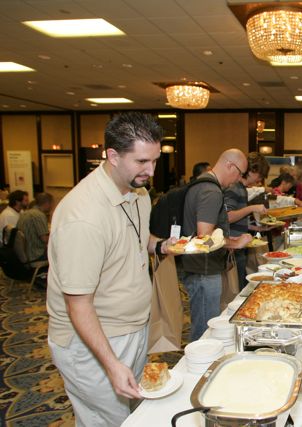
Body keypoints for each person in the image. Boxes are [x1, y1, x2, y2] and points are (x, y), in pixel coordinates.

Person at [47, 112, 173, 426]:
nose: (151, 171)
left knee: (131, 415)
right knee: (109, 421)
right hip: (93, 342)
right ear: (113, 156)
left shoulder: (138, 193)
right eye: (142, 161)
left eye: (155, 160)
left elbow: (136, 239)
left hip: (132, 327)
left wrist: (160, 246)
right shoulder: (83, 217)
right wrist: (111, 364)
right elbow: (78, 305)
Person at [181, 149, 252, 341]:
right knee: (205, 332)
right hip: (204, 270)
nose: (238, 179)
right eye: (239, 173)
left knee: (203, 325)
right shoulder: (211, 191)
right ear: (229, 165)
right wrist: (235, 243)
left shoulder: (201, 183)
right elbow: (205, 237)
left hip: (197, 267)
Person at [225, 152, 270, 289]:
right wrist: (252, 208)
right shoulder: (234, 187)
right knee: (237, 286)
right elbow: (228, 216)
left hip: (240, 244)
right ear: (252, 171)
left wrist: (257, 229)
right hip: (233, 245)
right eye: (260, 176)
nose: (259, 180)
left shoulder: (242, 189)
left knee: (242, 283)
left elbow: (238, 219)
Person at [16, 192, 53, 261]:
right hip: (35, 254)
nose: (52, 206)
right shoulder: (39, 215)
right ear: (47, 203)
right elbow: (45, 239)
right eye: (51, 203)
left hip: (25, 253)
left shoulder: (25, 213)